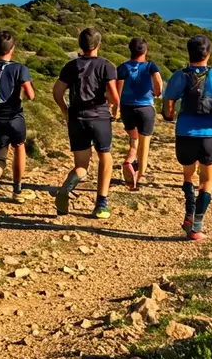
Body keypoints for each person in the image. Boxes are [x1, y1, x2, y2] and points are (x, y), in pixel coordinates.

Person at [162, 34, 212, 241]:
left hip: (185, 133)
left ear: (189, 53)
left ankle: (188, 213)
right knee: (207, 182)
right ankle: (196, 225)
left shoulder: (179, 75)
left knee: (189, 176)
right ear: (209, 54)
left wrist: (169, 116)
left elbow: (169, 103)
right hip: (209, 135)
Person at [53, 28, 120, 219]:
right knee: (105, 156)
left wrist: (65, 111)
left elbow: (57, 92)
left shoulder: (71, 66)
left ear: (80, 44)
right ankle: (101, 204)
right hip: (99, 117)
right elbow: (114, 96)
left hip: (77, 118)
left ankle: (67, 187)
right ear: (98, 45)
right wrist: (113, 106)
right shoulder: (107, 66)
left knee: (82, 165)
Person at [0, 30, 35, 213]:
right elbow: (30, 95)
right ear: (13, 49)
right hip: (15, 118)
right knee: (19, 147)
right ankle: (17, 190)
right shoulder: (19, 68)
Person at [116, 37, 163, 190]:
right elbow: (158, 85)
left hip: (127, 108)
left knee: (134, 139)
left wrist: (115, 108)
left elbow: (116, 89)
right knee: (145, 143)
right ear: (145, 50)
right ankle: (140, 174)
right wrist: (156, 93)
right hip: (145, 108)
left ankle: (130, 162)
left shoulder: (122, 67)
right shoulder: (150, 66)